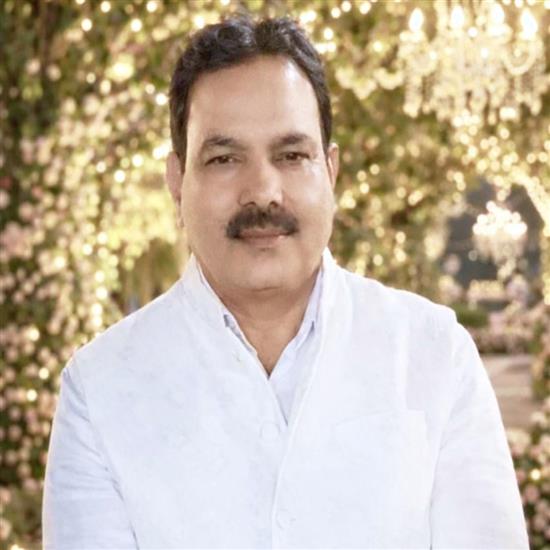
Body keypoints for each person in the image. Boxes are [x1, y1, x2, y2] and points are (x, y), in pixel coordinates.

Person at [42, 15, 529, 549]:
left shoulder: (434, 353)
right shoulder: (100, 388)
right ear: (177, 182)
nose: (263, 191)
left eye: (292, 155)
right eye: (224, 158)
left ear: (331, 171)